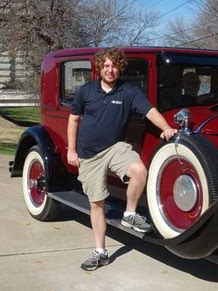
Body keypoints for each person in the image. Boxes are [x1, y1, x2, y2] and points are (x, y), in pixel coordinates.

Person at [67, 48, 178, 271]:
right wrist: (72, 150)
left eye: (114, 66)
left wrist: (166, 128)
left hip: (115, 147)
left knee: (139, 171)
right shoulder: (86, 91)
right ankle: (100, 252)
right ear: (100, 68)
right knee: (96, 203)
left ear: (120, 68)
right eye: (106, 66)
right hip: (89, 154)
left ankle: (129, 214)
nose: (110, 70)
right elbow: (73, 120)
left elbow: (150, 111)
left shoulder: (128, 91)